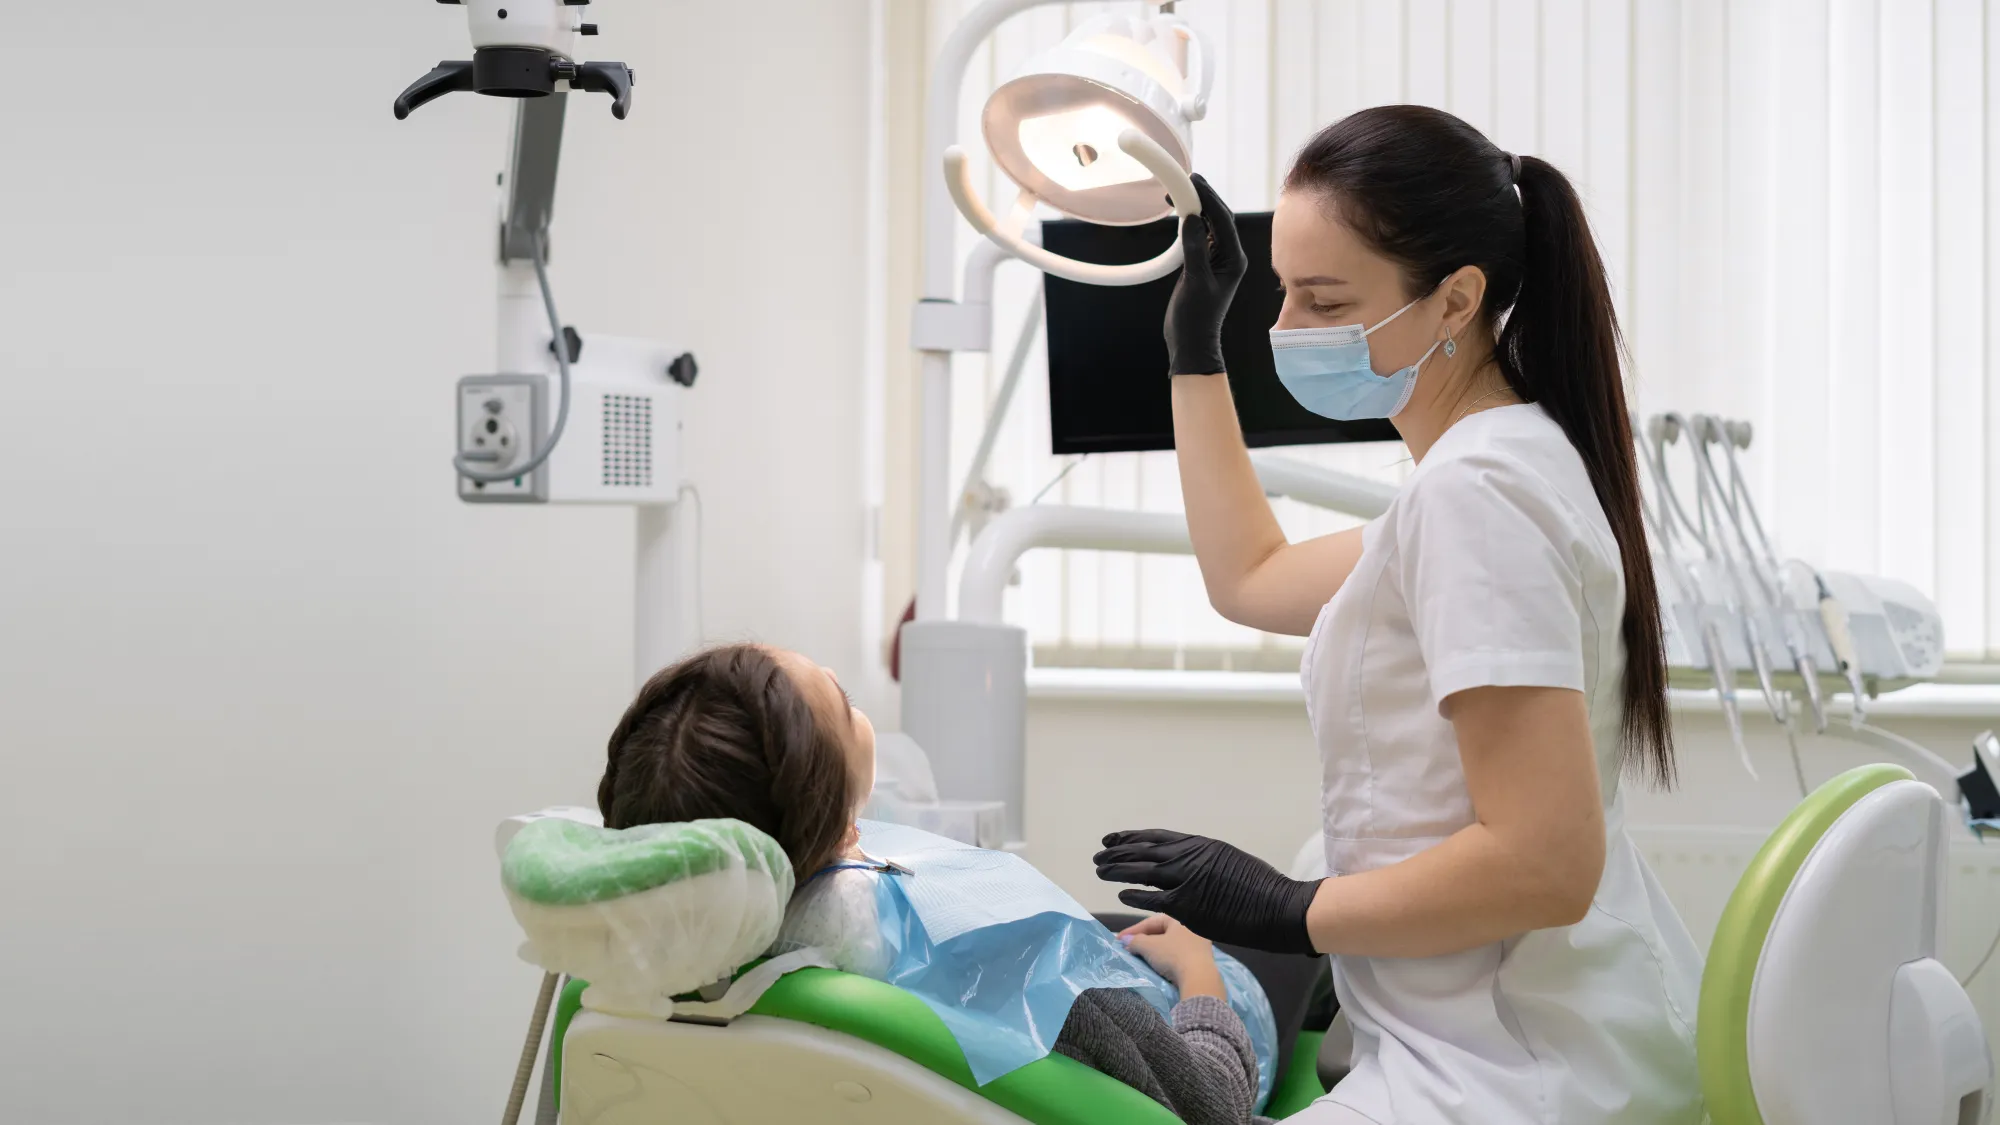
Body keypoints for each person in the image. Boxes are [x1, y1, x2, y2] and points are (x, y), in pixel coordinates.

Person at [1093, 105, 1705, 1124]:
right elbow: (1250, 575)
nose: (1286, 329)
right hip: (1485, 1035)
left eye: (1324, 300)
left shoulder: (1477, 496)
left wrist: (1287, 911)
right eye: (1281, 293)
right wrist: (1194, 349)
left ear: (1454, 297)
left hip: (1506, 1073)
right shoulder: (1491, 465)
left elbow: (1546, 861)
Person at [597, 642, 1275, 1125]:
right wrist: (1201, 973)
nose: (835, 671)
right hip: (1216, 1032)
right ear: (839, 823)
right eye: (842, 698)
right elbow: (1213, 1106)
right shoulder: (1013, 961)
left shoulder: (673, 969)